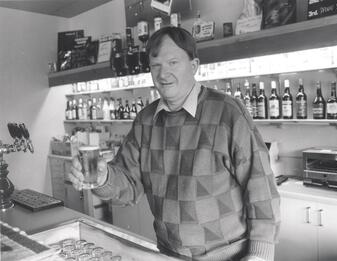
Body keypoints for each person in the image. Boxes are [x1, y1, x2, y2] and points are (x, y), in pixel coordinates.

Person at [69, 26, 280, 261]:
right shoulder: (146, 121)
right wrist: (102, 178)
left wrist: (259, 255)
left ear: (194, 65)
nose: (163, 74)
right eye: (155, 66)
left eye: (173, 62)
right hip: (169, 254)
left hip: (229, 256)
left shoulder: (227, 113)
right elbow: (128, 185)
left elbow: (261, 188)